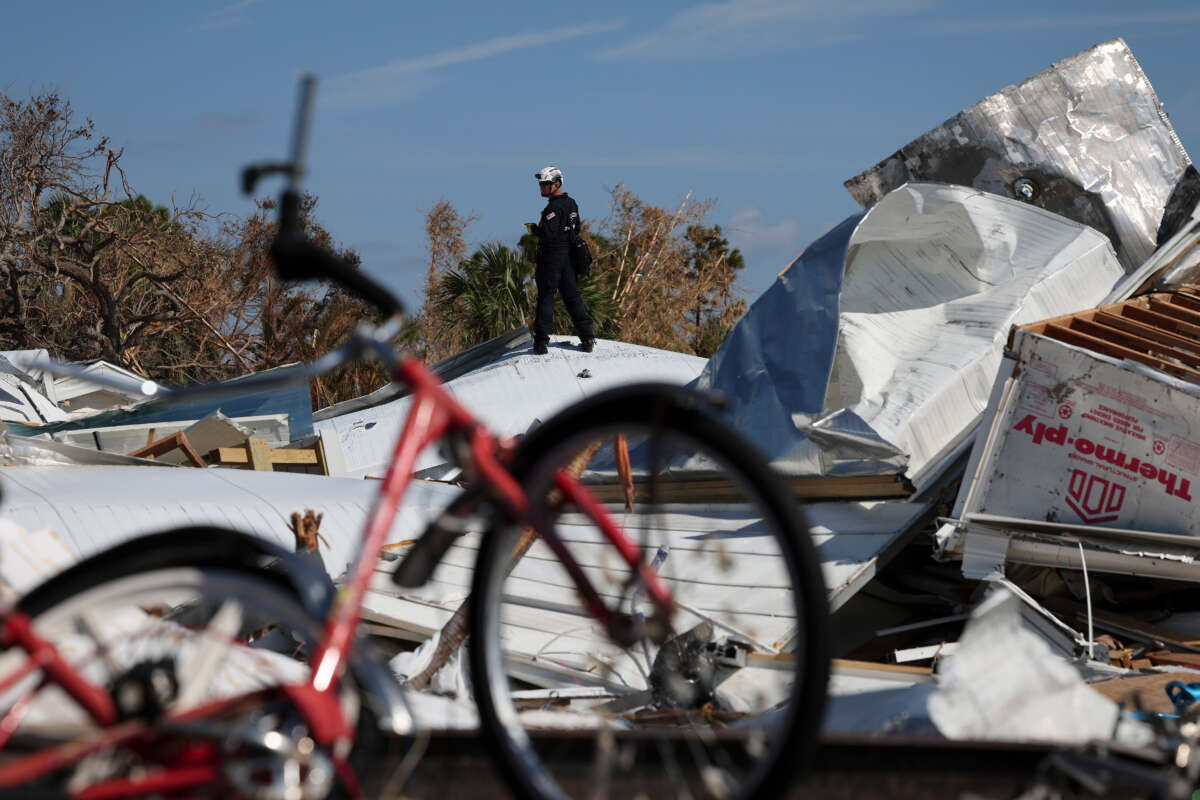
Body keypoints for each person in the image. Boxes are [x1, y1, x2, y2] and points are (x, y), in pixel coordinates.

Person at [528, 165, 595, 355]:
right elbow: (576, 228)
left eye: (545, 184)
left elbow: (548, 234)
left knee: (546, 298)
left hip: (552, 259)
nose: (541, 187)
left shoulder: (553, 208)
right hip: (569, 257)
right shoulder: (572, 203)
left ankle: (541, 342)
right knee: (573, 297)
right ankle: (587, 338)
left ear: (556, 184)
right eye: (541, 184)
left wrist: (535, 230)